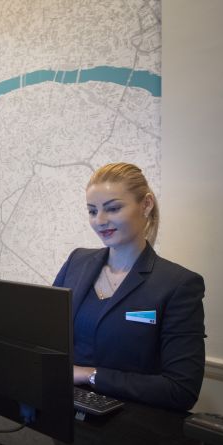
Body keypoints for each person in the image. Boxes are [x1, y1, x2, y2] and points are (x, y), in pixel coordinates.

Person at [53, 162, 205, 411]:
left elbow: (181, 390)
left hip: (130, 422)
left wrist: (90, 375)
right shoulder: (76, 262)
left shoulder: (178, 285)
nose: (100, 221)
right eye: (92, 211)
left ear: (146, 204)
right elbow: (48, 338)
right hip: (62, 413)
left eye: (113, 208)